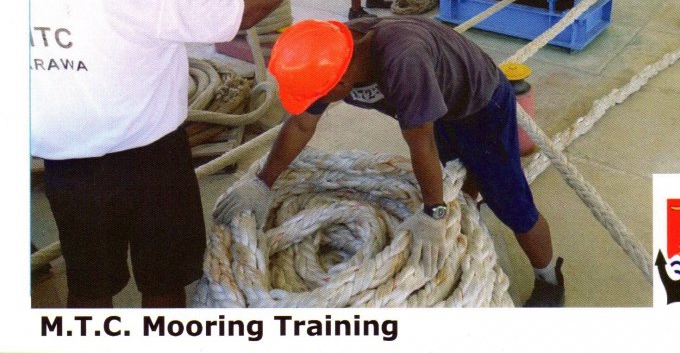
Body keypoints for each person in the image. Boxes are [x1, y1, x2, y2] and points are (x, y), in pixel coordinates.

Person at [29, 0, 326, 308]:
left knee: (88, 285)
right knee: (164, 281)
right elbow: (243, 12)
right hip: (152, 166)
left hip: (66, 172)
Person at [214, 16, 566, 307]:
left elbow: (421, 144)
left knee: (510, 202)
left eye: (317, 95)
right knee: (456, 180)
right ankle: (466, 213)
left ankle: (549, 277)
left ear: (341, 79)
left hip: (481, 105)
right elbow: (302, 123)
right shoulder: (334, 53)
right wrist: (263, 183)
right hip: (438, 104)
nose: (314, 103)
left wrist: (433, 214)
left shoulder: (402, 60)